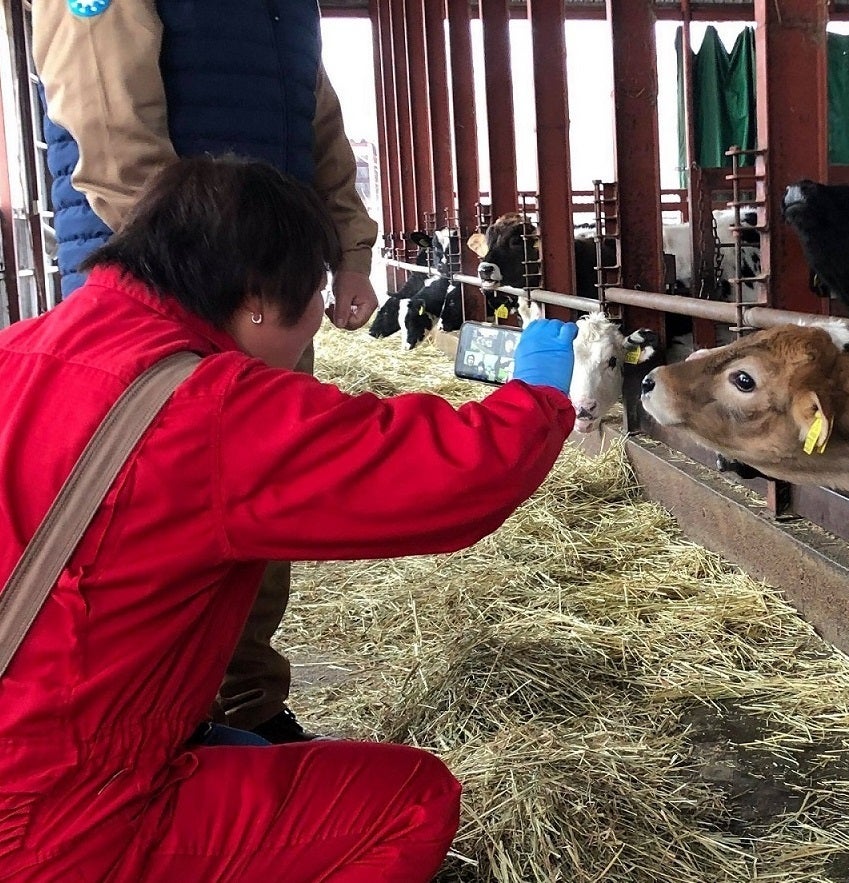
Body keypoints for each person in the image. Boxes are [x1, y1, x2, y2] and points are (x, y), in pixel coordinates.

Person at [0, 155, 578, 881]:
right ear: (257, 298)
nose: (314, 329)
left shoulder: (20, 349)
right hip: (53, 815)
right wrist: (537, 398)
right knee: (410, 802)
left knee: (238, 753)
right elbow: (447, 474)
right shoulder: (207, 409)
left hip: (38, 742)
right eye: (316, 296)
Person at [34, 0, 382, 742]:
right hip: (164, 288)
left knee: (261, 498)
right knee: (156, 514)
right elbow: (107, 120)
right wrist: (205, 270)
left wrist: (347, 251)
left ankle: (245, 704)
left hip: (261, 285)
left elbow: (314, 115)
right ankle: (159, 723)